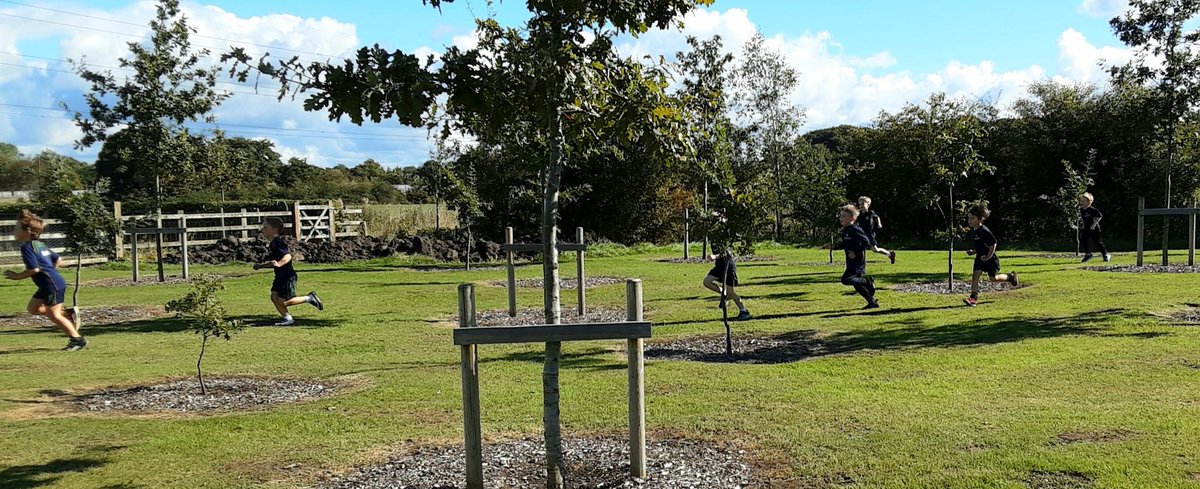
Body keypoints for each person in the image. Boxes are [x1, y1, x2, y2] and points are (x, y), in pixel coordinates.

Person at [3, 210, 86, 351]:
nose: (13, 231)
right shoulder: (40, 245)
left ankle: (77, 340)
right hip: (49, 283)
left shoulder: (27, 247)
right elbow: (58, 259)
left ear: (28, 231)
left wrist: (16, 276)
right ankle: (67, 314)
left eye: (16, 228)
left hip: (51, 285)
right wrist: (50, 272)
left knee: (53, 315)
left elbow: (33, 269)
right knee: (33, 309)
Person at [253, 217, 323, 325]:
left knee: (283, 301)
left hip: (287, 276)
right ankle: (287, 318)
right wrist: (261, 266)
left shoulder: (278, 242)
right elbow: (274, 263)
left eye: (265, 227)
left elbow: (288, 256)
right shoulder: (272, 243)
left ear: (274, 229)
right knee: (274, 297)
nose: (262, 230)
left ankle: (309, 298)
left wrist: (280, 263)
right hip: (279, 276)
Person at [963, 204, 1019, 307]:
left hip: (990, 259)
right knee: (975, 277)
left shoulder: (983, 230)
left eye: (972, 218)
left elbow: (993, 244)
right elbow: (982, 245)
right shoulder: (974, 231)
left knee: (993, 278)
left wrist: (988, 257)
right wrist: (974, 251)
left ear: (980, 219)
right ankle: (973, 298)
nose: (969, 220)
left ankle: (1010, 277)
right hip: (980, 258)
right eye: (969, 218)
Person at [830, 204, 879, 309]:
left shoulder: (856, 229)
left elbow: (866, 242)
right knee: (857, 285)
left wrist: (856, 253)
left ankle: (868, 281)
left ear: (852, 218)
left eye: (843, 216)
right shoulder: (845, 230)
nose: (840, 218)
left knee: (846, 280)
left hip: (858, 261)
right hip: (850, 261)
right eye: (840, 216)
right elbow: (846, 243)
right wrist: (835, 247)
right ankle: (872, 302)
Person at [703, 249, 750, 321]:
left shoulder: (724, 240)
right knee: (707, 282)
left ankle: (744, 311)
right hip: (719, 267)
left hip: (728, 267)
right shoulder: (714, 239)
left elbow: (727, 252)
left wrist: (715, 256)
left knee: (731, 293)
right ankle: (724, 294)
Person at [856, 196, 897, 264]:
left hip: (870, 234)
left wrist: (879, 223)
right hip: (862, 234)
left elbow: (877, 217)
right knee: (860, 247)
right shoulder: (859, 214)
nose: (861, 206)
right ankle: (861, 262)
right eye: (860, 204)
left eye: (863, 204)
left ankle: (889, 254)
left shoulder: (871, 213)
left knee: (875, 249)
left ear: (868, 204)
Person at [1079, 192, 1111, 263]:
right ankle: (1088, 254)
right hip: (1086, 228)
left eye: (1083, 201)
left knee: (1098, 243)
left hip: (1094, 229)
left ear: (1089, 202)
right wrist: (1083, 225)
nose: (1082, 202)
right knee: (1083, 240)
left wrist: (1094, 224)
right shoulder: (1081, 210)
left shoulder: (1092, 210)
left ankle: (1105, 255)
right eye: (1081, 201)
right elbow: (1083, 218)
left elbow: (1100, 216)